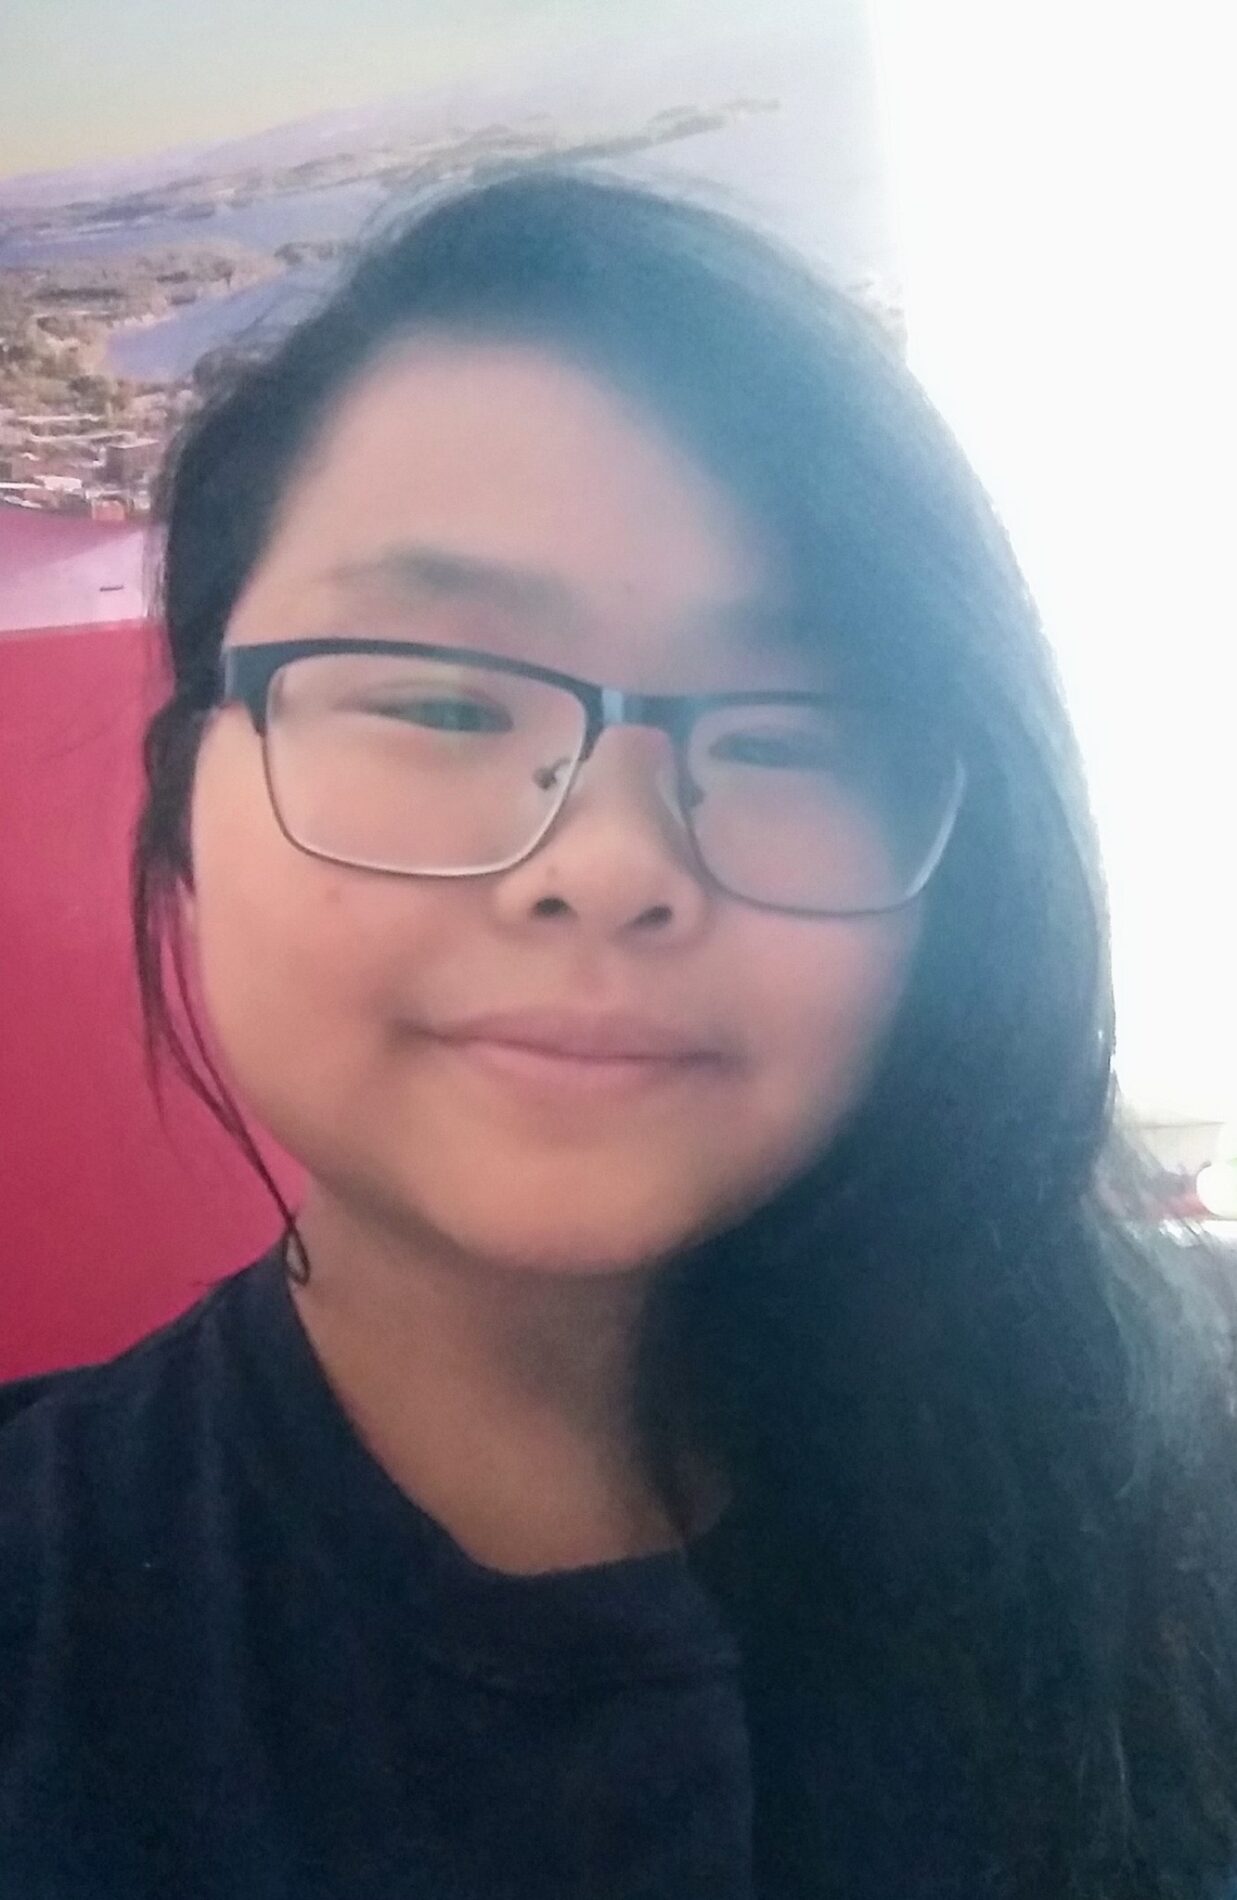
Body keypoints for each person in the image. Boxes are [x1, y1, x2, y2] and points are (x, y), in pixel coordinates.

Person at [1, 169, 1235, 1900]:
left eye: (792, 734)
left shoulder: (1185, 1464)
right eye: (439, 699)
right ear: (186, 799)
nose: (608, 865)